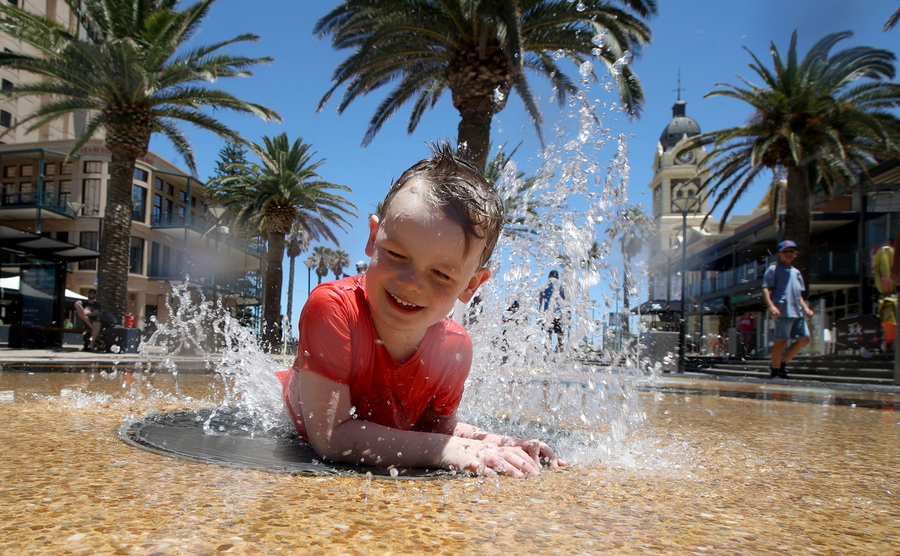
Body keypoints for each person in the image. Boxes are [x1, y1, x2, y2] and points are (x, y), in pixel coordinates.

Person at [277, 144, 566, 477]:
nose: (412, 283)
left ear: (471, 285)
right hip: (296, 410)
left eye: (441, 274)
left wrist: (500, 444)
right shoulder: (333, 308)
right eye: (396, 255)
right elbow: (330, 437)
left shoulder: (454, 349)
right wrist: (452, 452)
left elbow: (435, 429)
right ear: (373, 238)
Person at [762, 240, 814, 379]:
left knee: (805, 339)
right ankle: (775, 368)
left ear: (796, 254)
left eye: (791, 251)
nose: (789, 254)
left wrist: (806, 308)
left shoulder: (796, 272)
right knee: (781, 341)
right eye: (786, 251)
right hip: (782, 310)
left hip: (797, 311)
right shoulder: (773, 269)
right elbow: (766, 289)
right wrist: (771, 306)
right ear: (779, 254)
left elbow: (799, 295)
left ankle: (782, 362)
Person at [539, 270, 566, 352]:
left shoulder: (545, 286)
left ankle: (548, 351)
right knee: (560, 333)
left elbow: (540, 299)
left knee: (548, 333)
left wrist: (539, 309)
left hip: (548, 313)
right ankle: (560, 351)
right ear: (557, 277)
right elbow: (564, 299)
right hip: (558, 313)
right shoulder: (561, 288)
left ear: (549, 277)